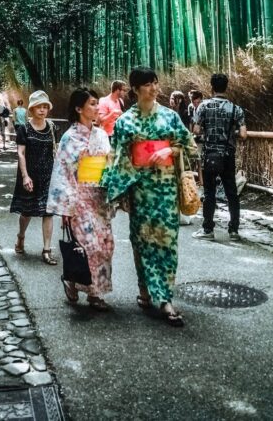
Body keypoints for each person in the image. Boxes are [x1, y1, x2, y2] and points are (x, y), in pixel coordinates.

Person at [102, 67, 195, 327]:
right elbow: (117, 158)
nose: (154, 88)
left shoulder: (170, 117)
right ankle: (144, 289)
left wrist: (169, 151)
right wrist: (120, 192)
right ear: (134, 89)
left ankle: (165, 298)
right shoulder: (124, 122)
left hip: (166, 190)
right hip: (140, 190)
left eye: (156, 83)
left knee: (167, 243)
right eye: (148, 84)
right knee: (141, 242)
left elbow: (189, 145)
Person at [47, 88, 114, 310]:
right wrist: (65, 208)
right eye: (92, 104)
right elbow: (62, 173)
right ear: (79, 108)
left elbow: (109, 165)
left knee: (105, 245)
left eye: (97, 103)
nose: (97, 108)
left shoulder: (102, 134)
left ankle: (94, 291)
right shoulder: (69, 137)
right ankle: (78, 284)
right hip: (79, 198)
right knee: (88, 246)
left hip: (99, 197)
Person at [192, 73, 247, 241]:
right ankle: (234, 230)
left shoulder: (203, 106)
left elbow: (195, 130)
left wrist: (207, 131)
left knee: (209, 192)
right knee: (231, 192)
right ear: (226, 87)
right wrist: (231, 132)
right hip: (228, 154)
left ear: (212, 87)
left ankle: (208, 229)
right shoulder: (235, 109)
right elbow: (243, 134)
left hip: (209, 154)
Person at [11, 90, 57, 265]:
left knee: (48, 212)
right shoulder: (24, 129)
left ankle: (47, 250)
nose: (43, 110)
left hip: (48, 175)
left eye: (45, 106)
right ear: (32, 109)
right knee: (27, 211)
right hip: (29, 175)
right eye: (39, 107)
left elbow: (55, 151)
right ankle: (21, 236)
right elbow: (21, 154)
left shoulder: (52, 127)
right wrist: (25, 176)